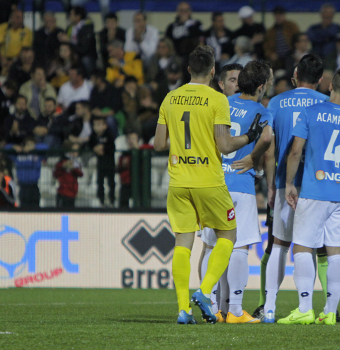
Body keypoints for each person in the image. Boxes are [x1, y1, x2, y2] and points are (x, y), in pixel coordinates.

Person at [152, 45, 267, 325]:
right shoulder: (217, 101)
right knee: (228, 236)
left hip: (179, 181)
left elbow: (158, 144)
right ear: (213, 70)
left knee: (183, 244)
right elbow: (225, 146)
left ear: (189, 69)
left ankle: (183, 310)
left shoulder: (171, 98)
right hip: (209, 181)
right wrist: (249, 137)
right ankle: (204, 292)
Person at [278, 68, 340, 325]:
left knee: (304, 247)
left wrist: (289, 184)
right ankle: (330, 311)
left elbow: (296, 152)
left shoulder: (312, 112)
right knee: (336, 250)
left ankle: (305, 307)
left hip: (315, 190)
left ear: (330, 87)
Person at [200, 60, 273, 324]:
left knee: (212, 245)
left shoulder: (220, 104)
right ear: (261, 86)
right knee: (239, 247)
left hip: (214, 183)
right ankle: (235, 310)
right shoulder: (262, 112)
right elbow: (267, 141)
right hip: (241, 185)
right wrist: (255, 161)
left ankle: (213, 306)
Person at [262, 54, 327, 323]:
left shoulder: (277, 102)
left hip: (283, 183)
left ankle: (269, 307)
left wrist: (271, 185)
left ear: (295, 74)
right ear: (321, 80)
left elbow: (269, 146)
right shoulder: (327, 104)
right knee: (310, 247)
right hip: (317, 185)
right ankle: (311, 306)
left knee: (280, 244)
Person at [6, 137, 47, 208]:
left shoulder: (37, 155)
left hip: (34, 186)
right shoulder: (18, 155)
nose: (29, 146)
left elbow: (46, 147)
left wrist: (34, 147)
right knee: (24, 210)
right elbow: (6, 148)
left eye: (31, 145)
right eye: (27, 144)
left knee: (36, 209)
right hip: (23, 187)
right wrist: (14, 147)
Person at [0, 9, 32, 75]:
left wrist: (13, 61)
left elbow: (24, 49)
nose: (20, 20)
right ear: (11, 18)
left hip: (18, 59)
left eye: (22, 18)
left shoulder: (26, 31)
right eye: (18, 17)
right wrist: (1, 58)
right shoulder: (3, 27)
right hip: (2, 58)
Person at [89, 116, 115, 207]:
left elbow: (112, 146)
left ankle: (112, 200)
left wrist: (103, 147)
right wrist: (95, 148)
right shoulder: (93, 136)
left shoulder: (109, 134)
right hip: (100, 164)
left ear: (105, 126)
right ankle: (101, 201)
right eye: (95, 125)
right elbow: (90, 145)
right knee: (100, 182)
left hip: (109, 163)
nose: (97, 127)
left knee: (111, 183)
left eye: (99, 125)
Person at [63, 6, 97, 76]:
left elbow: (83, 49)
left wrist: (68, 42)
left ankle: (90, 77)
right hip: (72, 54)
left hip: (84, 55)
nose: (69, 16)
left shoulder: (87, 28)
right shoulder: (70, 28)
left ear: (78, 17)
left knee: (85, 60)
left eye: (71, 14)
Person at [54, 140, 82, 208]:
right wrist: (63, 166)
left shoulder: (77, 162)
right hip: (63, 192)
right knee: (63, 215)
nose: (76, 152)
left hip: (73, 192)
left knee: (71, 213)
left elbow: (80, 174)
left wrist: (73, 168)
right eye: (74, 150)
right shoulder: (61, 162)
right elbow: (55, 174)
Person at [117, 133, 137, 208]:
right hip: (126, 183)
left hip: (137, 184)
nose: (131, 141)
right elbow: (119, 169)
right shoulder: (124, 155)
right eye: (129, 139)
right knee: (123, 201)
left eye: (133, 139)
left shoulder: (142, 154)